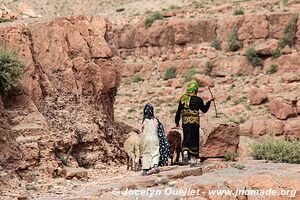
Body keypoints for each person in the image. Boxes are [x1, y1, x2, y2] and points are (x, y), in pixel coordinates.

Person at [175, 81, 214, 167]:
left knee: (186, 137)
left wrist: (177, 122)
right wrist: (209, 101)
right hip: (195, 123)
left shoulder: (182, 98)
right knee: (194, 139)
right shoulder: (198, 99)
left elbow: (178, 112)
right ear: (195, 89)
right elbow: (204, 110)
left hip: (185, 122)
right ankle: (193, 160)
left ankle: (185, 152)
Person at [141, 103, 171, 176]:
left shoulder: (144, 121)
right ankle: (155, 165)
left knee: (145, 153)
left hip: (145, 139)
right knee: (155, 152)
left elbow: (142, 129)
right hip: (154, 138)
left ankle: (145, 170)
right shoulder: (155, 120)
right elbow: (160, 130)